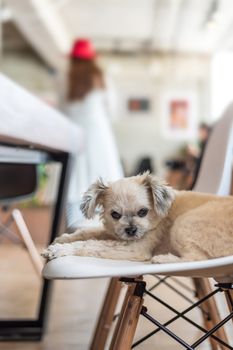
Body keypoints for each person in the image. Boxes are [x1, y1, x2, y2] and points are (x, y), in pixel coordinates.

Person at [65, 39, 123, 228]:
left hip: (73, 135)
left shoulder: (64, 78)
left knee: (73, 185)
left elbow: (61, 110)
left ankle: (74, 234)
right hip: (99, 136)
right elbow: (113, 111)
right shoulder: (102, 78)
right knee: (104, 185)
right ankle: (104, 233)